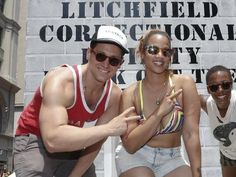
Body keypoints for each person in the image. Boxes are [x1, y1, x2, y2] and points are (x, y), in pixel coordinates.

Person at [13, 25, 141, 177]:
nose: (106, 64)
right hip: (35, 140)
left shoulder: (114, 95)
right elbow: (53, 140)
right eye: (100, 56)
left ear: (120, 64)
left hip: (71, 144)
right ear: (89, 53)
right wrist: (109, 129)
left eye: (113, 60)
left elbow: (95, 142)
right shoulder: (61, 81)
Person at [115, 29, 202, 177]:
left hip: (172, 158)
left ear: (170, 56)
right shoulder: (130, 93)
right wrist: (159, 113)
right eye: (153, 50)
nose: (159, 56)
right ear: (142, 53)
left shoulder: (184, 84)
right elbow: (130, 145)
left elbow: (191, 134)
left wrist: (197, 173)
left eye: (165, 52)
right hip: (137, 156)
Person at [199, 65, 236, 177]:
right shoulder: (207, 104)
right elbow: (187, 96)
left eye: (225, 85)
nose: (220, 91)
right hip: (227, 154)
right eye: (214, 87)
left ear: (231, 85)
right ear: (208, 89)